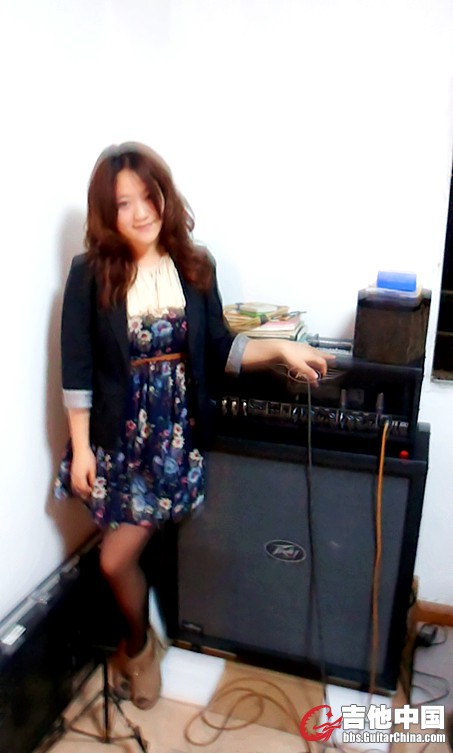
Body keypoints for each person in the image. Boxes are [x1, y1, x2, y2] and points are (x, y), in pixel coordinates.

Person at [54, 141, 331, 710]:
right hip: (117, 438)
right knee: (115, 558)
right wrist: (80, 449)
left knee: (118, 556)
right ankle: (141, 645)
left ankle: (138, 644)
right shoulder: (90, 274)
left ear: (164, 195)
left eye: (148, 195)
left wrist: (279, 349)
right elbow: (77, 370)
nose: (140, 212)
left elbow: (219, 349)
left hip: (173, 436)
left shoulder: (194, 264)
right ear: (106, 212)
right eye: (123, 203)